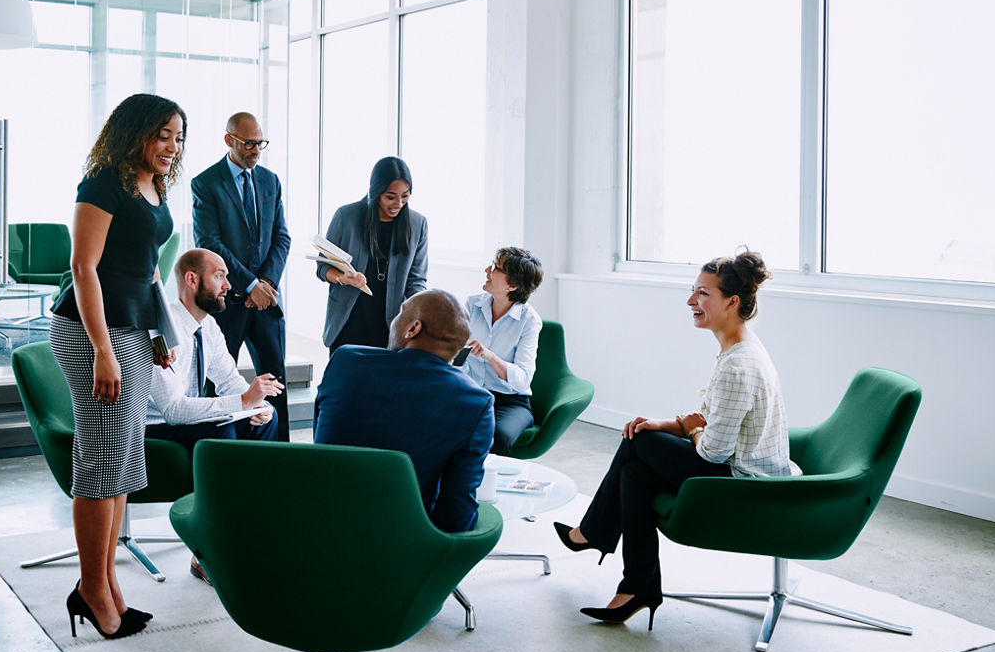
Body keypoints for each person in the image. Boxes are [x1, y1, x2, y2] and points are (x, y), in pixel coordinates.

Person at [553, 249, 799, 630]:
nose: (691, 301)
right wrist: (672, 425)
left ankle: (595, 532)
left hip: (745, 485)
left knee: (636, 443)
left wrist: (688, 427)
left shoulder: (738, 364)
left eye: (702, 293)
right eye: (693, 291)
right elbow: (710, 425)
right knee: (635, 469)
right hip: (735, 467)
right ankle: (638, 587)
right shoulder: (738, 349)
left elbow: (714, 450)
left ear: (731, 302)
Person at [48, 93, 186, 640]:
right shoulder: (103, 183)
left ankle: (105, 582)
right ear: (135, 133)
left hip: (131, 329)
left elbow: (149, 269)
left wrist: (160, 332)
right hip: (90, 331)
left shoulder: (154, 185)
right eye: (162, 136)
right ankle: (93, 590)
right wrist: (103, 349)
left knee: (124, 457)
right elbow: (83, 267)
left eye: (177, 137)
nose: (171, 147)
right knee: (103, 458)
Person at [145, 248, 283, 582]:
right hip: (154, 428)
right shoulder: (160, 329)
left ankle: (246, 527)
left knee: (267, 419)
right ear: (192, 280)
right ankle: (207, 553)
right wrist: (242, 402)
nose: (227, 284)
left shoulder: (208, 326)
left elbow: (229, 381)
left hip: (190, 420)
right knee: (220, 436)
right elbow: (175, 410)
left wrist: (256, 405)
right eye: (219, 275)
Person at [313, 289, 494, 533]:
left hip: (316, 525)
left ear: (413, 329)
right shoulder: (476, 402)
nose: (393, 322)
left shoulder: (346, 361)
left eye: (400, 313)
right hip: (403, 546)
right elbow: (456, 516)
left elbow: (320, 445)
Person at [191, 112, 292, 439]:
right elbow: (210, 243)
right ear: (229, 140)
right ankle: (216, 457)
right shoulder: (205, 184)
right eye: (249, 144)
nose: (256, 150)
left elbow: (281, 238)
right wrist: (250, 284)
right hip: (226, 304)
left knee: (275, 383)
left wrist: (265, 285)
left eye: (260, 143)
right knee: (216, 383)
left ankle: (281, 458)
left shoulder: (270, 180)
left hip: (266, 302)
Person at [318, 156, 427, 353]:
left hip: (391, 326)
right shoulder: (346, 216)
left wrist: (420, 314)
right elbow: (322, 267)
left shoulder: (418, 224)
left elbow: (416, 280)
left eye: (405, 196)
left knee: (384, 383)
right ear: (376, 191)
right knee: (346, 383)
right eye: (390, 196)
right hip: (348, 323)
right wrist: (343, 278)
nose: (398, 203)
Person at [462, 247, 544, 455]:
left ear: (513, 286)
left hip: (510, 402)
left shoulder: (529, 320)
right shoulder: (472, 304)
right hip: (471, 394)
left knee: (498, 435)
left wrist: (489, 356)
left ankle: (486, 486)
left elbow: (523, 379)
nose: (487, 270)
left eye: (496, 268)